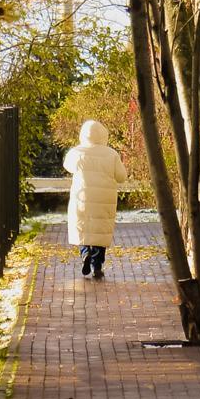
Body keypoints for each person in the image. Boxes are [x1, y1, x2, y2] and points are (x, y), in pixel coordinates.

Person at [62, 119, 127, 279]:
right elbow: (121, 177)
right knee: (100, 229)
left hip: (82, 196)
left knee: (83, 227)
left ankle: (85, 254)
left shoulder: (77, 152)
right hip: (105, 198)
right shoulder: (111, 154)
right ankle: (97, 265)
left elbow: (67, 166)